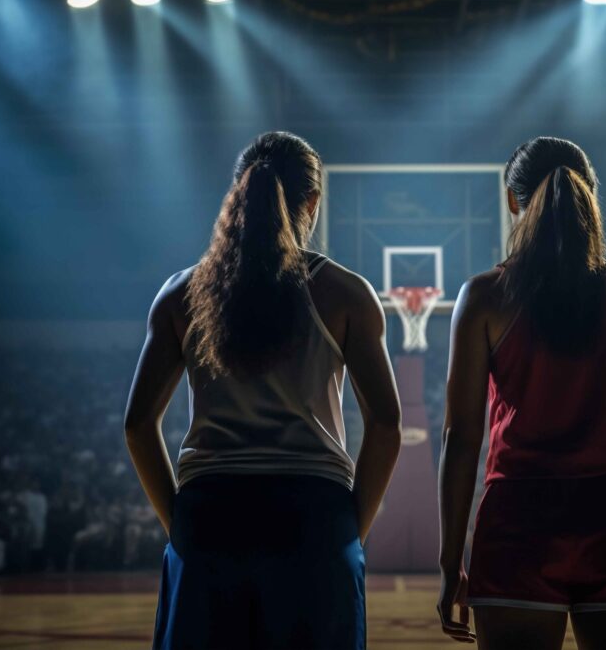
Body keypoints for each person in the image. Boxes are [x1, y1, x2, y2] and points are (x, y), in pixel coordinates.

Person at [124, 131, 402, 650]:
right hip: (313, 517)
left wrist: (179, 520)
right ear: (313, 204)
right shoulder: (345, 292)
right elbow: (386, 424)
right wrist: (351, 526)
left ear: (237, 194)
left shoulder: (180, 293)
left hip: (210, 516)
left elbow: (138, 425)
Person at [437, 137, 606, 650]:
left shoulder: (485, 297)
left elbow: (462, 440)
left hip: (518, 522)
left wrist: (449, 564)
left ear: (513, 200)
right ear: (590, 197)